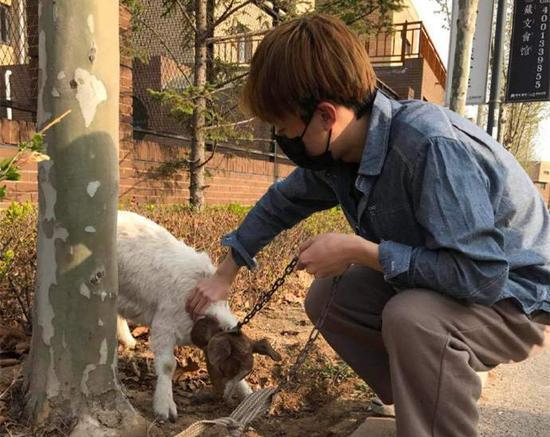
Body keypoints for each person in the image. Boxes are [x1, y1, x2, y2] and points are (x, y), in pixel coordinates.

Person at [186, 13, 549, 437]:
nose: (284, 142)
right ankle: (429, 390)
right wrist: (226, 271)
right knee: (329, 296)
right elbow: (281, 203)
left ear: (325, 116)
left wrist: (362, 252)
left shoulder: (429, 147)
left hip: (517, 299)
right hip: (464, 285)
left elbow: (481, 276)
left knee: (411, 317)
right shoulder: (343, 152)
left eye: (286, 130)